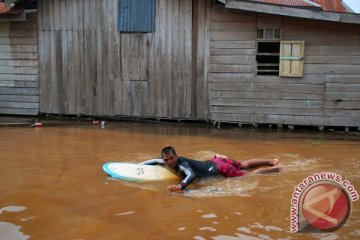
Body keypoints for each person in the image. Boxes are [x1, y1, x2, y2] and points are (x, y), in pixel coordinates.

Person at [141, 146, 281, 192]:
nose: (169, 162)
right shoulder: (165, 161)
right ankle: (271, 161)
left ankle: (275, 167)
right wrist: (139, 166)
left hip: (220, 168)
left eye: (172, 158)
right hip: (214, 161)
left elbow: (192, 175)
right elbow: (154, 161)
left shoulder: (182, 163)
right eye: (166, 160)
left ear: (176, 156)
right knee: (243, 164)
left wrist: (180, 186)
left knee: (247, 175)